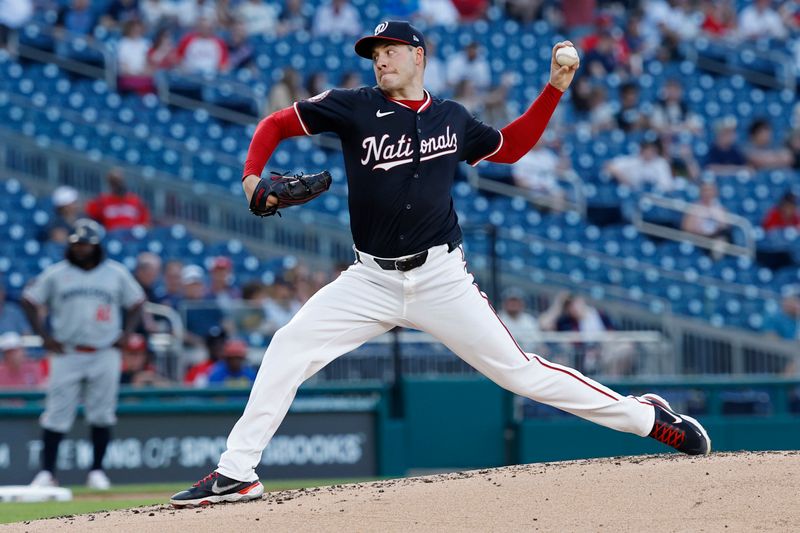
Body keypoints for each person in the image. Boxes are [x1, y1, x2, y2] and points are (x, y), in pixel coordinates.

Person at [170, 20, 711, 508]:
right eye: (374, 53)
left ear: (418, 55)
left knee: (521, 374)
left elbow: (511, 147)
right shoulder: (353, 106)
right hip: (370, 279)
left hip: (440, 277)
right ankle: (237, 472)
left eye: (389, 50)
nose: (380, 60)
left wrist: (554, 90)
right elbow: (273, 125)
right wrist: (250, 177)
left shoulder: (452, 118)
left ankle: (648, 418)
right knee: (289, 346)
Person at [21, 219, 145, 490]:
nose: (81, 249)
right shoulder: (57, 273)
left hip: (104, 351)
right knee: (56, 413)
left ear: (97, 245)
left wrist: (126, 334)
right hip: (67, 351)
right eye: (77, 244)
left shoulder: (115, 273)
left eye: (86, 244)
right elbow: (29, 300)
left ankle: (97, 471)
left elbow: (137, 301)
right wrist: (44, 337)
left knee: (102, 414)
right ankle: (47, 472)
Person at [85, 168, 151, 231]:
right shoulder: (102, 201)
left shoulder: (136, 201)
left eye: (120, 181)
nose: (118, 184)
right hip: (111, 238)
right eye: (114, 182)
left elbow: (145, 223)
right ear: (110, 184)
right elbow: (90, 215)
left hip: (132, 238)